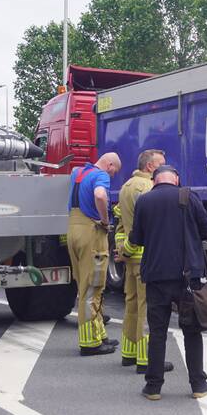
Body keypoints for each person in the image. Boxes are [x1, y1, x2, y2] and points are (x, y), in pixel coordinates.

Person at [129, 165, 207, 401]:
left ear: (154, 180)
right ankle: (198, 384)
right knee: (192, 331)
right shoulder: (188, 196)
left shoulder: (144, 201)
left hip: (156, 276)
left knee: (157, 332)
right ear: (176, 179)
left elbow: (136, 239)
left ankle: (153, 387)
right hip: (187, 276)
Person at [113, 148, 172, 374]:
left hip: (130, 257)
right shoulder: (148, 188)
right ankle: (147, 358)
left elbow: (120, 224)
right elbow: (151, 224)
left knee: (132, 304)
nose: (165, 168)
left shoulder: (126, 186)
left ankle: (129, 352)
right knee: (148, 308)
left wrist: (122, 250)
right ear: (150, 167)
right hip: (146, 257)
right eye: (162, 164)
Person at [67, 152, 121, 356]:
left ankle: (100, 335)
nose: (113, 175)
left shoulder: (77, 173)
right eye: (114, 170)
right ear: (109, 165)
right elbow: (100, 195)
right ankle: (90, 343)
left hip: (73, 229)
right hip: (91, 231)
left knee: (85, 286)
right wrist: (106, 221)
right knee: (93, 287)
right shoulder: (101, 176)